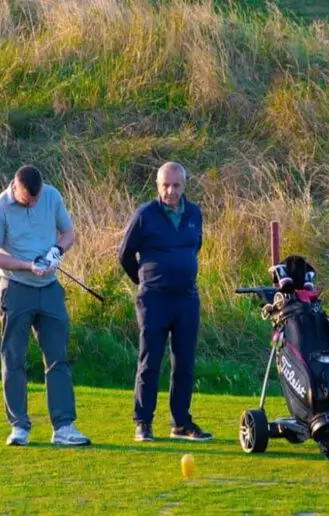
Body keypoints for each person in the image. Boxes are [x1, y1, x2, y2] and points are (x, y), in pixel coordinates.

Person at [0, 165, 91, 447]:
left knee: (58, 357)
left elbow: (68, 233)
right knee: (14, 359)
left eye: (36, 198)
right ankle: (19, 427)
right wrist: (28, 266)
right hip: (15, 289)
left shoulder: (51, 197)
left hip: (50, 288)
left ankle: (64, 427)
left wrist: (56, 251)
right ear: (15, 187)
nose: (32, 202)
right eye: (27, 199)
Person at [118, 162, 213, 442]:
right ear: (158, 186)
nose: (171, 191)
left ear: (184, 185)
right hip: (154, 300)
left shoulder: (194, 213)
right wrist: (144, 281)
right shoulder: (145, 215)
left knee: (184, 363)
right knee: (150, 361)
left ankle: (181, 423)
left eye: (176, 186)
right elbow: (125, 254)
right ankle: (143, 422)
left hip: (186, 298)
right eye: (165, 186)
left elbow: (196, 246)